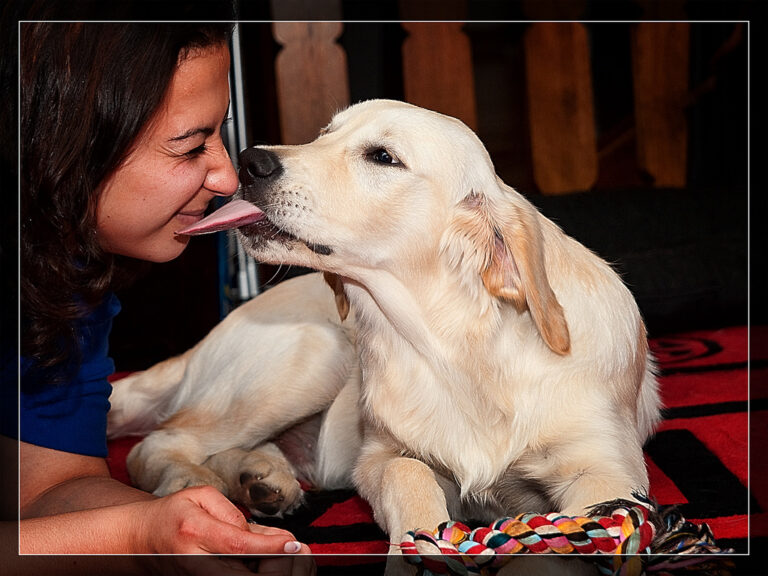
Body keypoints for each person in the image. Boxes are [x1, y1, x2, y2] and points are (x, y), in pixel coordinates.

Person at [1, 13, 315, 576]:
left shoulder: (64, 273)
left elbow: (49, 489)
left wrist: (181, 534)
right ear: (67, 138)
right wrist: (130, 536)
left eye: (219, 134)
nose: (224, 176)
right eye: (191, 145)